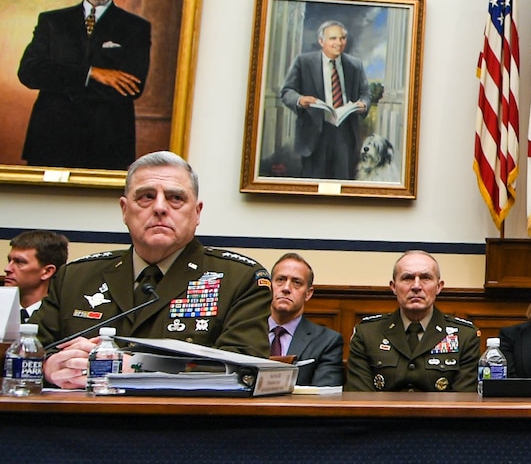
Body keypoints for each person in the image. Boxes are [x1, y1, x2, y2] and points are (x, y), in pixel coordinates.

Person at [37, 151, 271, 388]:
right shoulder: (75, 278)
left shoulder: (240, 279)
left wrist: (138, 368)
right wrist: (48, 367)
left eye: (175, 198)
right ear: (124, 210)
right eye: (146, 197)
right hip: (78, 419)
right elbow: (25, 351)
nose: (160, 207)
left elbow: (245, 371)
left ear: (197, 212)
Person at [17, 0, 152, 170]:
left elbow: (132, 87)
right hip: (51, 140)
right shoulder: (52, 21)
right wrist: (92, 73)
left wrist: (59, 78)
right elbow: (30, 73)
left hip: (107, 142)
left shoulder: (135, 27)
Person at [345, 250, 480, 392]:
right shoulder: (367, 333)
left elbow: (463, 402)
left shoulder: (465, 336)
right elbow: (360, 399)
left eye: (425, 278)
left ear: (439, 287)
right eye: (407, 278)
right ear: (393, 287)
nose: (416, 286)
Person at [279, 20, 371, 180]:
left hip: (345, 135)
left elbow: (366, 94)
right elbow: (287, 92)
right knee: (313, 187)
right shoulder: (303, 62)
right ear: (321, 41)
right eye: (333, 38)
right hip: (313, 135)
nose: (339, 43)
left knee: (343, 184)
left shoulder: (355, 65)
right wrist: (300, 100)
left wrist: (364, 104)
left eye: (342, 38)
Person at [267, 253, 344, 387]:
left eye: (297, 283)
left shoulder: (327, 341)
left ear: (308, 293)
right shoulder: (245, 333)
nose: (286, 288)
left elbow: (324, 397)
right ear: (269, 286)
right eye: (280, 280)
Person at [4, 230, 69, 322]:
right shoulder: (3, 311)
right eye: (9, 261)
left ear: (47, 272)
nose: (7, 268)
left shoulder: (62, 318)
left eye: (20, 262)